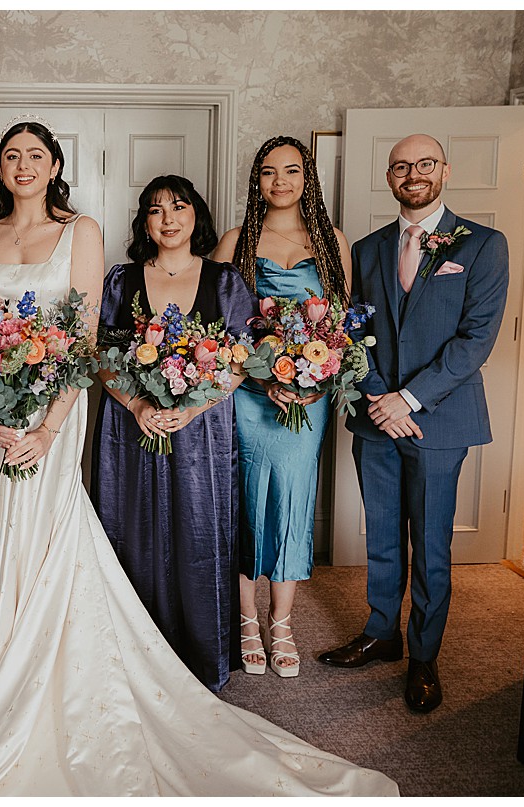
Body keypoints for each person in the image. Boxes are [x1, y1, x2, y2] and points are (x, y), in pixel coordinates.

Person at [0, 118, 398, 796]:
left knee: (42, 544)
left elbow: (86, 336)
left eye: (35, 155)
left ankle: (38, 672)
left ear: (54, 166)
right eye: (12, 155)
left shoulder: (83, 232)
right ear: (0, 169)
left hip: (51, 418)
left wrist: (46, 427)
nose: (23, 165)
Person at [317, 133, 509, 713]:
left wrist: (410, 399)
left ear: (445, 171)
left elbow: (476, 339)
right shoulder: (369, 248)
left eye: (425, 163)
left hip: (439, 420)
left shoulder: (483, 245)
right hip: (375, 417)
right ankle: (382, 632)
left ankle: (424, 655)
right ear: (389, 177)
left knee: (429, 543)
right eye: (402, 166)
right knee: (381, 535)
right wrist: (380, 396)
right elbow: (353, 328)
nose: (414, 174)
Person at [91, 175, 256, 692]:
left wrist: (194, 407)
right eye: (156, 209)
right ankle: (131, 658)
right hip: (130, 431)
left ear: (195, 216)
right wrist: (138, 403)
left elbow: (244, 358)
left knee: (199, 533)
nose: (168, 218)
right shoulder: (121, 281)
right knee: (132, 534)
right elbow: (100, 354)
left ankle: (201, 656)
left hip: (201, 435)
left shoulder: (225, 282)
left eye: (179, 207)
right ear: (145, 222)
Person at [213, 136, 351, 678]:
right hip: (249, 397)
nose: (280, 181)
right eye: (269, 172)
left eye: (291, 171)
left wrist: (317, 378)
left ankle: (283, 623)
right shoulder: (237, 240)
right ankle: (247, 619)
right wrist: (260, 373)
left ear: (307, 178)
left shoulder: (332, 241)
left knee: (293, 501)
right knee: (247, 501)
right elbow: (215, 323)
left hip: (308, 399)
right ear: (257, 181)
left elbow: (341, 324)